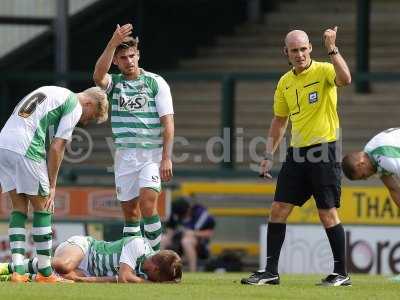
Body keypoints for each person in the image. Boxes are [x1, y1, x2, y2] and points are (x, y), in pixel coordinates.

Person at [241, 26, 352, 286]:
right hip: (297, 153)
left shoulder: (325, 69)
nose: (300, 54)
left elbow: (346, 79)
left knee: (327, 212)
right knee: (278, 209)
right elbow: (280, 121)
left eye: (304, 49)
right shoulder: (285, 82)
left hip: (324, 149)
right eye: (294, 50)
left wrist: (333, 48)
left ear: (310, 49)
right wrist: (269, 154)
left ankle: (341, 273)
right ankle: (270, 272)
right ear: (286, 53)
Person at [0, 86, 109, 283]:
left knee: (19, 208)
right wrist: (52, 185)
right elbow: (58, 146)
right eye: (90, 116)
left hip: (3, 144)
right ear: (89, 103)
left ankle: (18, 271)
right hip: (26, 147)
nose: (85, 121)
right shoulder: (74, 105)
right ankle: (45, 274)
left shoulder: (51, 90)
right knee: (43, 207)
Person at [93, 23, 174, 251]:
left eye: (132, 56)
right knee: (130, 213)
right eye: (123, 57)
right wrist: (112, 43)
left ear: (138, 55)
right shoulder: (115, 84)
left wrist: (166, 158)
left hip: (151, 154)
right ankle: (135, 259)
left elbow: (168, 122)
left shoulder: (155, 82)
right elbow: (98, 75)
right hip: (124, 155)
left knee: (149, 205)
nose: (129, 61)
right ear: (116, 61)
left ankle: (155, 258)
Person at [0, 235, 182, 283]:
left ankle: (8, 278)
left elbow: (115, 280)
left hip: (88, 271)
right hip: (85, 248)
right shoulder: (139, 244)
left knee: (60, 280)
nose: (156, 282)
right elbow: (125, 278)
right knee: (64, 266)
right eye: (160, 280)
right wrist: (153, 285)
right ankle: (8, 267)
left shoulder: (143, 276)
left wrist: (81, 279)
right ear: (157, 269)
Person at [342, 127, 400, 207]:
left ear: (360, 164)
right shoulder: (370, 152)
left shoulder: (385, 158)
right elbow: (393, 189)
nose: (366, 178)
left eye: (363, 176)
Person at [162, 198, 215, 272]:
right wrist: (169, 237)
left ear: (189, 209)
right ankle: (160, 269)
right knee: (163, 239)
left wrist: (193, 233)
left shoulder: (201, 214)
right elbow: (170, 230)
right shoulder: (175, 214)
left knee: (186, 241)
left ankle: (192, 271)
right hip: (177, 242)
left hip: (198, 245)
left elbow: (210, 233)